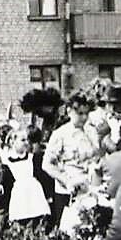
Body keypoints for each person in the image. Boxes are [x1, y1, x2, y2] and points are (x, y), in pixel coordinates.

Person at [42, 92, 100, 228]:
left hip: (91, 190)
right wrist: (66, 180)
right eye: (80, 113)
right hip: (69, 192)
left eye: (86, 113)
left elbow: (98, 157)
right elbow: (47, 164)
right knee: (70, 230)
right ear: (69, 111)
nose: (84, 117)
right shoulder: (60, 134)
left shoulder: (92, 131)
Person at [0, 127, 51, 227]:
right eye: (22, 140)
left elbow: (42, 177)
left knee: (37, 221)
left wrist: (48, 196)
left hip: (35, 195)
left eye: (27, 140)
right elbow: (7, 186)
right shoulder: (7, 163)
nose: (26, 143)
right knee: (22, 223)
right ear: (13, 142)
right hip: (20, 197)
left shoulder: (33, 158)